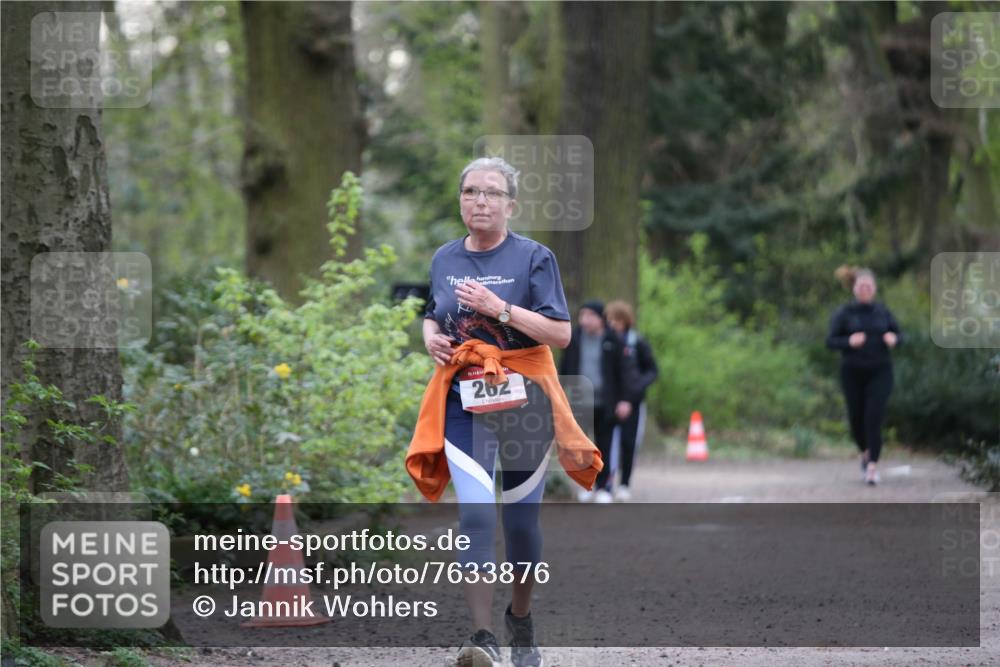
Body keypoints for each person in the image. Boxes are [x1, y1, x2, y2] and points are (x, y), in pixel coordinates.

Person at [407, 156, 603, 667]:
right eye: (471, 191)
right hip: (463, 401)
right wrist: (431, 339)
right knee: (473, 514)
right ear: (460, 200)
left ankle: (520, 618)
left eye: (492, 193)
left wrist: (499, 309)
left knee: (520, 523)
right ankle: (482, 636)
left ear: (511, 204)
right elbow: (434, 314)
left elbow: (560, 334)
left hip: (525, 401)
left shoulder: (534, 257)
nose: (480, 201)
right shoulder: (445, 258)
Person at [825, 265, 903, 486]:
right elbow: (830, 341)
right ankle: (865, 452)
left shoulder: (883, 312)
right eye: (861, 286)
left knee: (873, 416)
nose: (865, 289)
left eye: (869, 286)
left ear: (875, 289)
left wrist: (894, 339)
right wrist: (848, 342)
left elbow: (900, 335)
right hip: (852, 371)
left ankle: (872, 467)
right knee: (856, 419)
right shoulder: (844, 313)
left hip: (880, 371)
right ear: (854, 288)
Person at [559, 300, 634, 503]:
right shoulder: (574, 337)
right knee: (582, 446)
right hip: (580, 401)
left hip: (606, 403)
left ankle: (604, 487)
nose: (585, 320)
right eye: (582, 315)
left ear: (600, 318)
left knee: (605, 445)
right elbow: (565, 367)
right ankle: (587, 484)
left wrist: (625, 400)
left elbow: (625, 372)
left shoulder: (613, 339)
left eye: (590, 316)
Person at [605, 300, 658, 501]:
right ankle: (606, 483)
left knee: (629, 444)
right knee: (608, 445)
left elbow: (652, 371)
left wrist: (635, 389)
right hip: (610, 402)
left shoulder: (637, 342)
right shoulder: (606, 342)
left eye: (615, 319)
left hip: (633, 403)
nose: (611, 323)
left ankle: (625, 483)